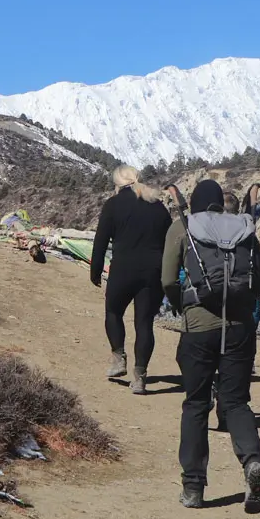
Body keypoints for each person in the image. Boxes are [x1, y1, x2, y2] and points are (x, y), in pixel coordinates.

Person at [163, 179, 260, 513]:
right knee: (236, 403)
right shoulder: (244, 228)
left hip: (198, 328)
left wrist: (181, 305)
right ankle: (253, 462)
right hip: (240, 329)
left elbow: (168, 279)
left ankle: (193, 488)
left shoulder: (183, 227)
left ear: (195, 203)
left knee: (196, 404)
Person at [92, 165, 172, 395]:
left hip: (123, 269)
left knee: (113, 312)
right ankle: (140, 377)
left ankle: (118, 359)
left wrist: (95, 271)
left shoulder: (113, 204)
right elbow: (169, 242)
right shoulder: (157, 205)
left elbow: (100, 241)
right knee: (144, 323)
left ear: (117, 183)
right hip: (153, 272)